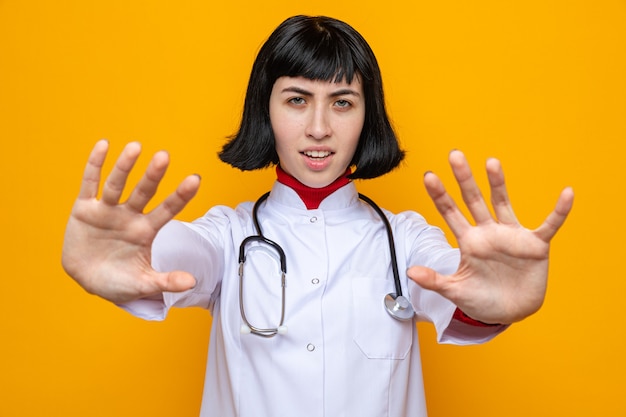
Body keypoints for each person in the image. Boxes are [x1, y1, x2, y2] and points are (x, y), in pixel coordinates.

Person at [61, 15, 574, 417]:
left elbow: (456, 286)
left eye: (343, 103)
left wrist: (495, 301)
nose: (319, 127)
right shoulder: (228, 237)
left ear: (366, 116)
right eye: (297, 99)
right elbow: (175, 258)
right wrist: (131, 257)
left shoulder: (405, 241)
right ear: (266, 111)